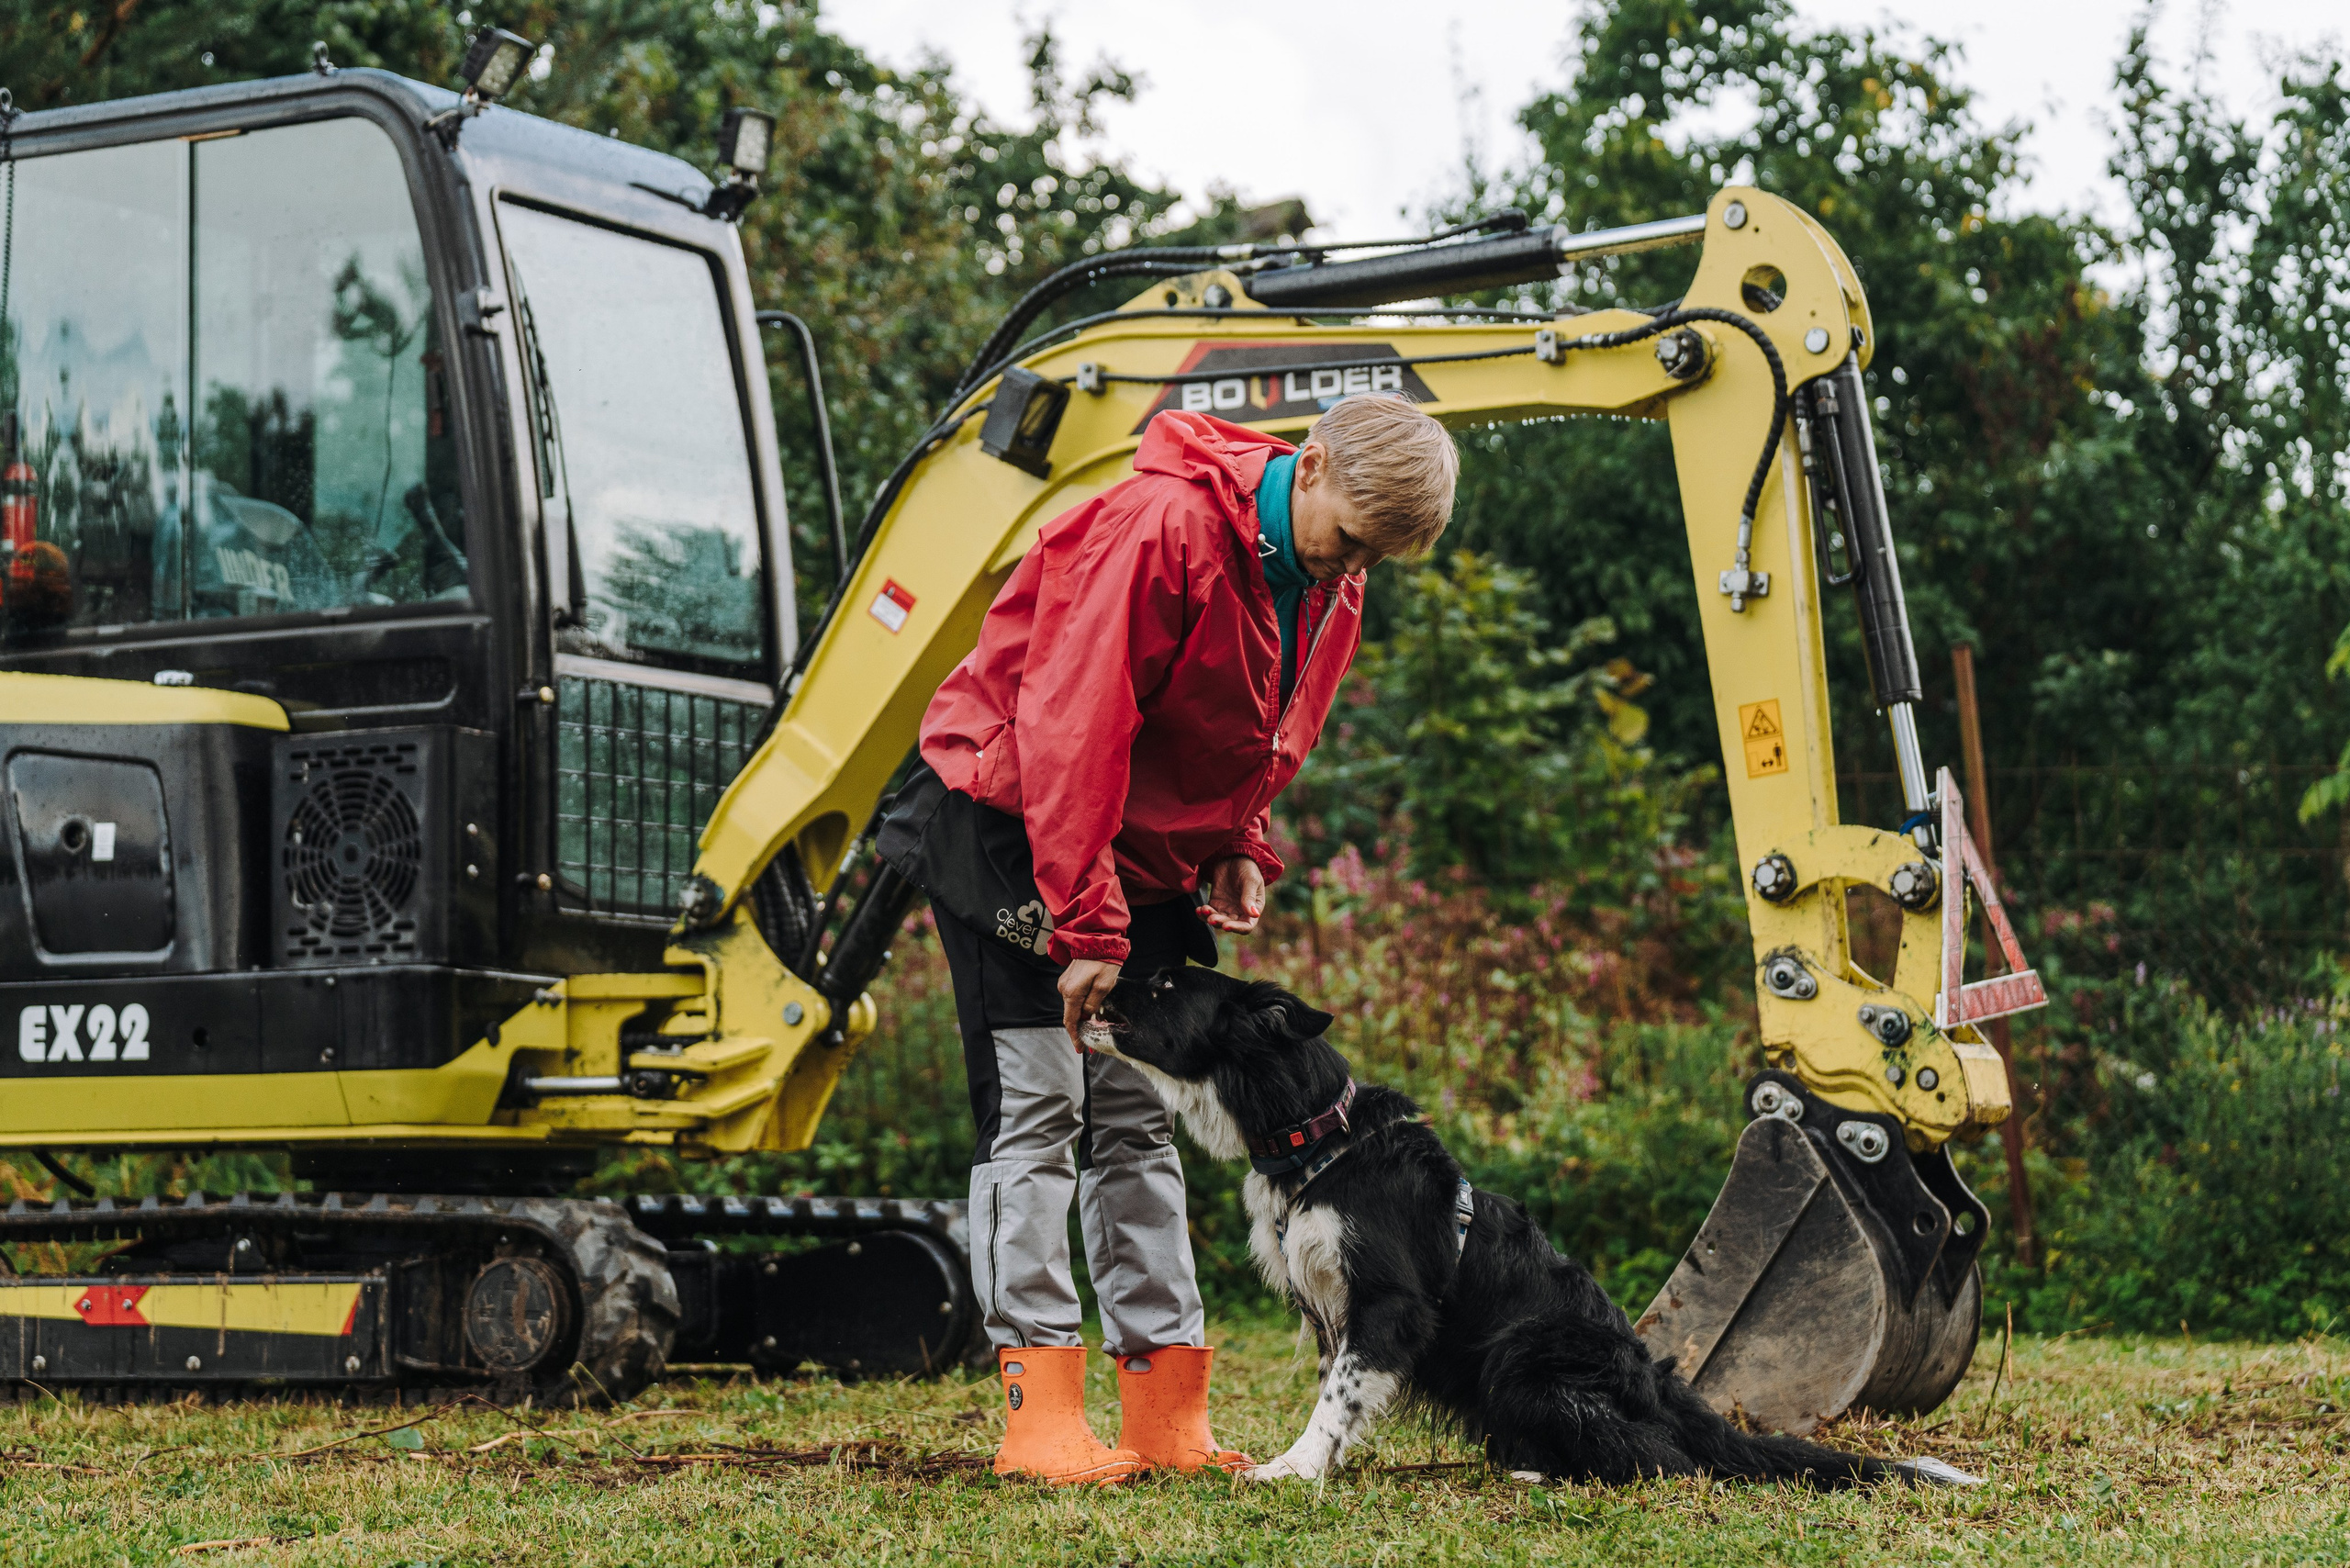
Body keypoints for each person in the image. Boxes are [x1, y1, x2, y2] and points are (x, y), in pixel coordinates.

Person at [880, 392, 1458, 1484]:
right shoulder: (1164, 527)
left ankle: (1163, 1412)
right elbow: (1071, 726)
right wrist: (1086, 920)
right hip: (1020, 826)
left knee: (1140, 1116)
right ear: (1315, 463)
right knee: (1040, 1108)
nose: (1350, 573)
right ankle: (1041, 1416)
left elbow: (1267, 727)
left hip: (1137, 848)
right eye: (1347, 543)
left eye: (1373, 560)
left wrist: (1241, 835)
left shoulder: (1331, 577)